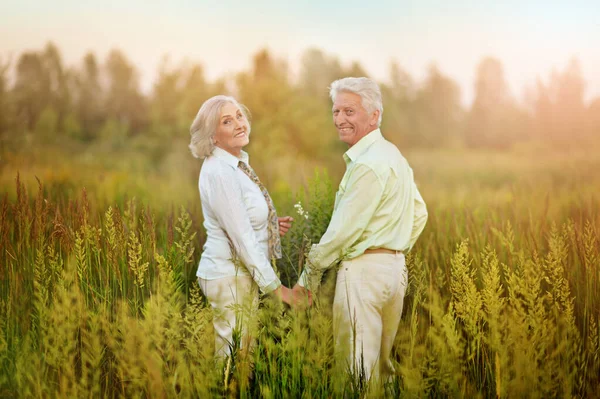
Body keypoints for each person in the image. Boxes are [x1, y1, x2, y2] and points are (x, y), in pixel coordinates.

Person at [293, 77, 428, 382]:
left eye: (349, 112)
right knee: (381, 371)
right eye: (336, 111)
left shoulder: (367, 164)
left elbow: (340, 234)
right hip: (395, 274)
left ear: (374, 115)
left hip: (364, 275)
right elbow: (419, 213)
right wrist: (393, 247)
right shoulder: (394, 155)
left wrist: (308, 281)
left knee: (357, 375)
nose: (339, 119)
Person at [189, 95, 295, 359]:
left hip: (237, 274)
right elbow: (241, 238)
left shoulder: (235, 164)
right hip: (228, 276)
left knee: (242, 356)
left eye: (239, 116)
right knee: (234, 361)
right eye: (227, 121)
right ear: (213, 136)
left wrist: (268, 225)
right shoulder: (220, 172)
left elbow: (241, 220)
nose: (238, 123)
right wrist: (277, 289)